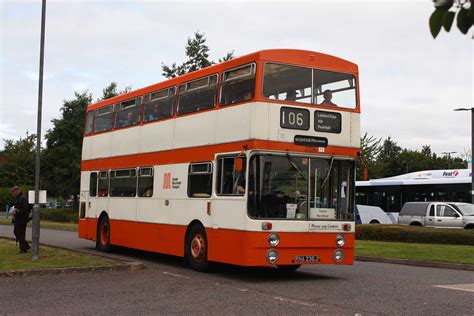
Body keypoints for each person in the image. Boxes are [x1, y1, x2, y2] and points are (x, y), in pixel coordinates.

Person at [10, 186, 31, 253]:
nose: (12, 194)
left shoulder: (23, 198)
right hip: (18, 219)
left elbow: (26, 209)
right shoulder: (19, 198)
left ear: (17, 191)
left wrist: (17, 211)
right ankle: (26, 246)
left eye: (13, 192)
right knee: (17, 232)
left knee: (20, 233)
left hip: (22, 219)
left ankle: (23, 249)